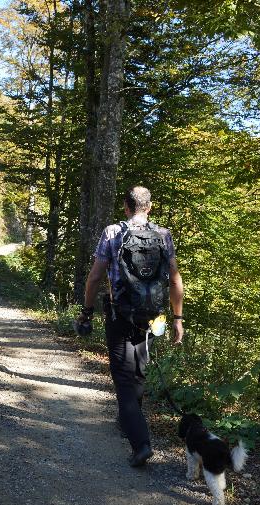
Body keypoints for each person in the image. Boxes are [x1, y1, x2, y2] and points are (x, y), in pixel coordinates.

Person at [76, 186, 184, 467]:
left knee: (123, 378)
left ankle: (141, 443)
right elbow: (174, 280)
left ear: (126, 206)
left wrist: (86, 311)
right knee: (138, 370)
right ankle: (128, 421)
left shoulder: (113, 232)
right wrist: (177, 318)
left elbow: (95, 277)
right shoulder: (163, 235)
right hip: (153, 316)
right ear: (149, 207)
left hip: (120, 313)